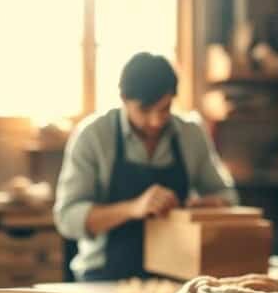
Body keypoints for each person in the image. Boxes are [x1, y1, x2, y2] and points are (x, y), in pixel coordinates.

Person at [54, 52, 238, 281]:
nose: (156, 120)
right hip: (104, 275)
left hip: (177, 273)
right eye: (144, 110)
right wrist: (133, 208)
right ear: (123, 99)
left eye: (164, 108)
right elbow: (67, 219)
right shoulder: (92, 136)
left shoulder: (191, 134)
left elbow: (228, 196)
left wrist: (211, 205)